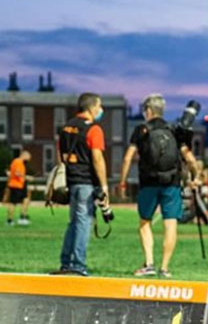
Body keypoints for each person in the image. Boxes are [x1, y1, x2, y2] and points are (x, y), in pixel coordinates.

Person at [119, 94, 200, 278]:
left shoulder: (141, 130)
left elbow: (127, 157)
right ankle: (164, 268)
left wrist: (122, 182)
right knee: (170, 224)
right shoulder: (173, 129)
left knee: (144, 222)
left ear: (148, 111)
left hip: (148, 182)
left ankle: (149, 264)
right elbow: (190, 159)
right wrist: (194, 177)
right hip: (171, 183)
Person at [53, 92, 109, 276]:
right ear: (92, 107)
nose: (101, 110)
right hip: (86, 181)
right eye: (99, 106)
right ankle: (78, 264)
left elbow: (60, 156)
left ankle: (66, 262)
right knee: (83, 223)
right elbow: (97, 158)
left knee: (74, 223)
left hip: (70, 181)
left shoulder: (66, 127)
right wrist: (104, 185)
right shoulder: (94, 129)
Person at [5, 151, 31, 226]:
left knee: (25, 199)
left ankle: (22, 216)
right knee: (13, 203)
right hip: (16, 185)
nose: (29, 159)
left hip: (20, 185)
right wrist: (26, 177)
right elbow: (17, 173)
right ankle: (10, 220)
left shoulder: (18, 162)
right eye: (28, 157)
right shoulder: (18, 162)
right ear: (24, 155)